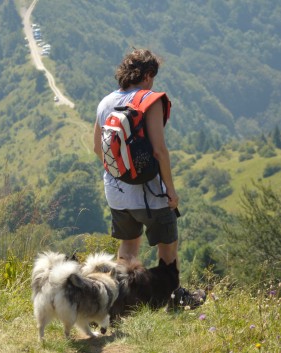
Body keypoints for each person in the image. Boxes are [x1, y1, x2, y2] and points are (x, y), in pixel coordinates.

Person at [93, 48, 205, 310]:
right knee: (168, 244)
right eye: (153, 76)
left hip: (117, 193)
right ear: (148, 75)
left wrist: (121, 177)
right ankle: (174, 297)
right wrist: (171, 191)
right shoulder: (150, 100)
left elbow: (99, 149)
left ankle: (119, 302)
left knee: (128, 247)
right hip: (151, 194)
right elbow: (159, 151)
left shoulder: (105, 102)